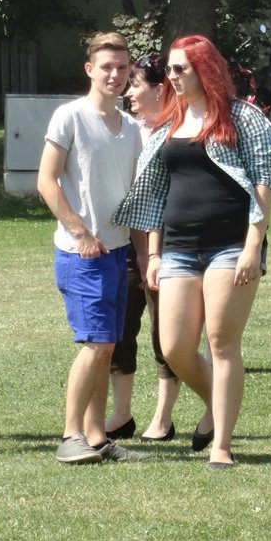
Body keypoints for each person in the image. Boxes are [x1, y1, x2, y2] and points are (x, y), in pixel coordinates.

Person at [114, 35, 271, 470]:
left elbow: (263, 181)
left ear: (204, 69)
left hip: (231, 246)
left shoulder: (242, 117)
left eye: (180, 68)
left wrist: (253, 246)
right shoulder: (171, 120)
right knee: (173, 348)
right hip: (178, 249)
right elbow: (155, 193)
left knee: (221, 343)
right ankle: (216, 405)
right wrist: (153, 255)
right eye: (169, 69)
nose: (172, 76)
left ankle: (221, 446)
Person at [38, 32, 146, 464]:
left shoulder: (132, 128)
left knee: (108, 347)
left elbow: (134, 200)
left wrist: (144, 255)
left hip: (118, 253)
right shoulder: (70, 116)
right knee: (97, 344)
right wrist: (80, 233)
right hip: (81, 254)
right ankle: (71, 436)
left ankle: (97, 438)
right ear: (90, 70)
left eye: (122, 68)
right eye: (106, 67)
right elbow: (46, 181)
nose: (115, 75)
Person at [102, 55, 182, 443]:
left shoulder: (179, 133)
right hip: (126, 244)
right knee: (119, 330)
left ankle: (162, 420)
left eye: (136, 85)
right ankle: (121, 415)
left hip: (169, 245)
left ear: (160, 90)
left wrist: (155, 252)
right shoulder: (127, 130)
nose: (128, 93)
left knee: (166, 333)